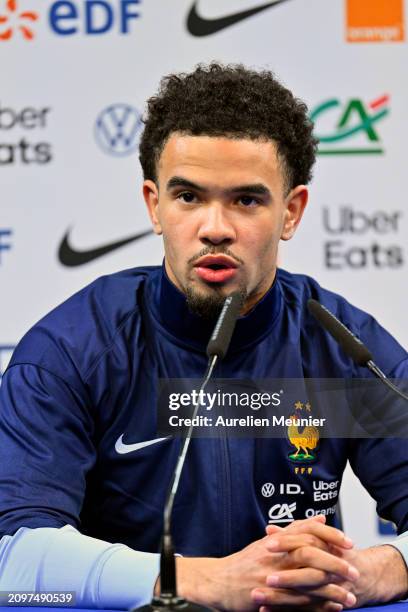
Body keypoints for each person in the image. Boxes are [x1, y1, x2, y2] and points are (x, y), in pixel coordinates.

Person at [0, 62, 407, 612]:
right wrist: (195, 580)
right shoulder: (75, 350)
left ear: (291, 211)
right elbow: (12, 556)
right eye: (189, 196)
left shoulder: (343, 347)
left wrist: (374, 570)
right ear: (154, 205)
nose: (215, 227)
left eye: (246, 200)